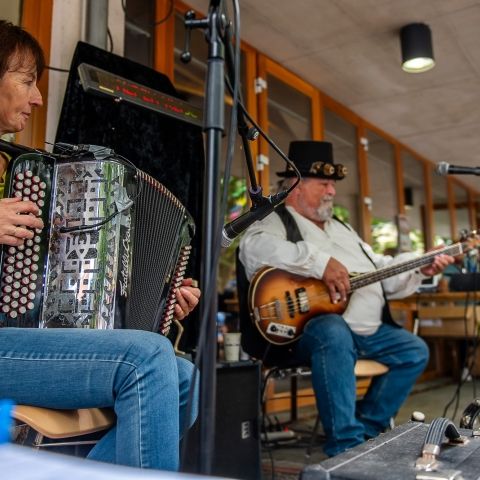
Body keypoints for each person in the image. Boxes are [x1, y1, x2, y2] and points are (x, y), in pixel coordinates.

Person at [0, 20, 200, 471]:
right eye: (27, 81)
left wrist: (162, 298)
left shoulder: (25, 170)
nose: (36, 98)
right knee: (147, 359)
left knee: (184, 377)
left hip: (16, 340)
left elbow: (51, 278)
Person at [239, 140, 454, 456]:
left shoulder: (341, 227)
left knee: (414, 351)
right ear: (296, 186)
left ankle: (367, 431)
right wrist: (320, 262)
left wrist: (420, 267)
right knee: (333, 332)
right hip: (312, 332)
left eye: (332, 185)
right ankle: (345, 446)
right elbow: (252, 250)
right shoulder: (275, 218)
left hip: (367, 331)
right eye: (324, 183)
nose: (332, 191)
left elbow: (379, 271)